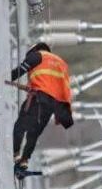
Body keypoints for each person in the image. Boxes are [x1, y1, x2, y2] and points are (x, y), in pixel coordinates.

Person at [11, 42, 74, 178]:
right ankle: (24, 162)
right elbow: (65, 88)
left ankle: (15, 154)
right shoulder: (61, 63)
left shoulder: (37, 56)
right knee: (34, 133)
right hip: (53, 104)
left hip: (38, 98)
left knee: (20, 126)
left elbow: (20, 71)